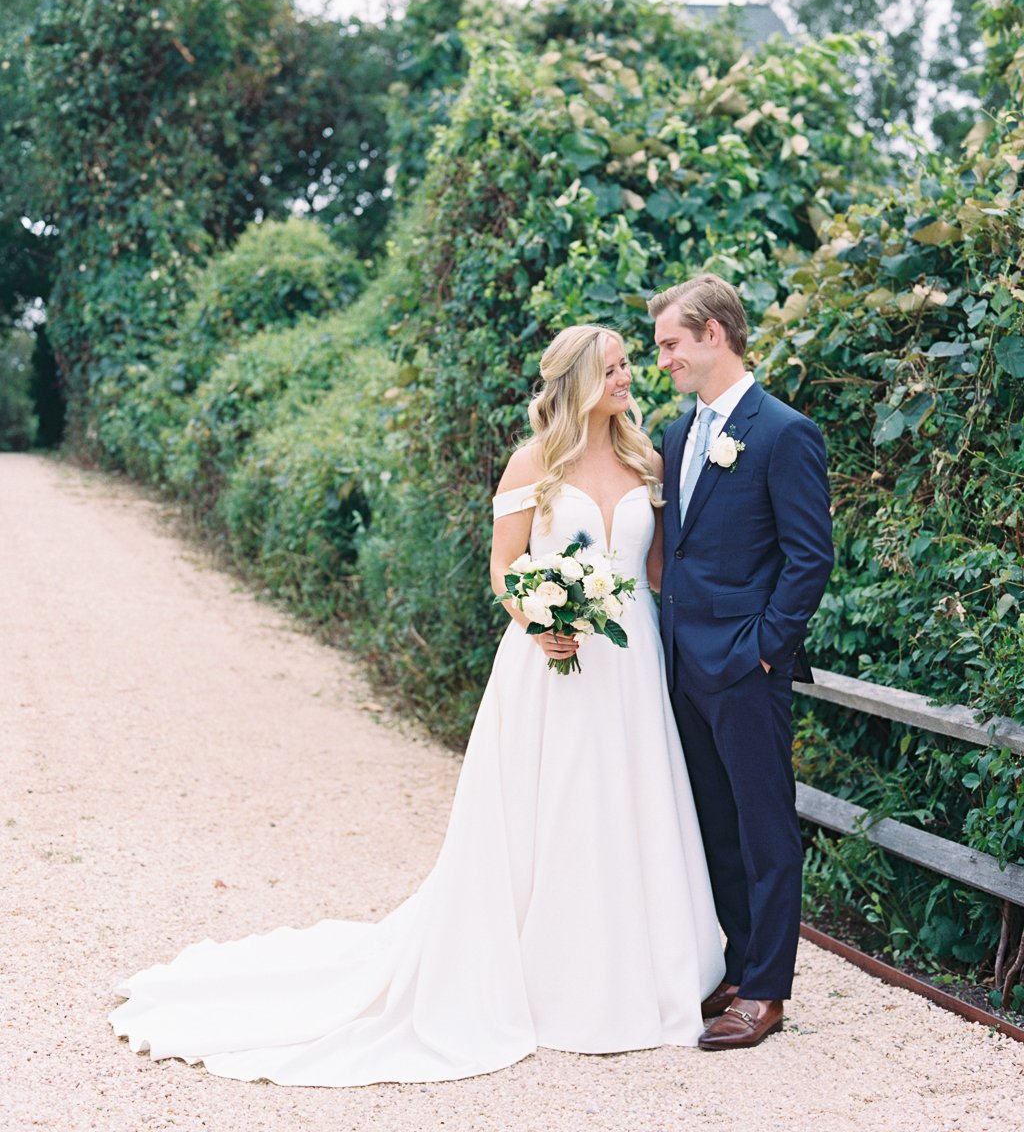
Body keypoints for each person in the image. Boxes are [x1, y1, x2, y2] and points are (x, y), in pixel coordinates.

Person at [110, 323, 725, 1086]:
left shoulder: (646, 459)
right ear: (576, 383)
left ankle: (642, 971)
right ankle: (553, 975)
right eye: (614, 367)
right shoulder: (535, 462)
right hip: (551, 664)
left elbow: (660, 570)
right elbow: (505, 571)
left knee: (629, 803)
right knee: (556, 808)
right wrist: (543, 622)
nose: (630, 375)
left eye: (630, 363)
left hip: (630, 667)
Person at [649, 274, 834, 1051]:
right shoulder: (675, 433)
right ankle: (734, 966)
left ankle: (766, 991)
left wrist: (764, 649)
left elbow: (809, 557)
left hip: (745, 668)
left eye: (670, 345)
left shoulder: (783, 432)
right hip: (681, 667)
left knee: (764, 831)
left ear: (713, 336)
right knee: (714, 826)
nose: (662, 361)